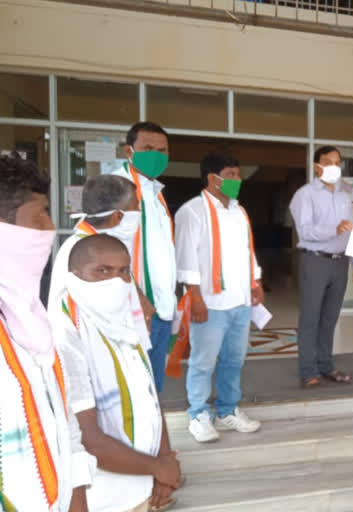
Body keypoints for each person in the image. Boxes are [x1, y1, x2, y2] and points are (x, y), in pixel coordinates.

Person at [51, 235, 181, 512]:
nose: (116, 280)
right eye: (102, 271)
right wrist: (160, 468)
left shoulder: (121, 316)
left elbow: (149, 398)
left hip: (143, 488)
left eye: (123, 271)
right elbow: (88, 438)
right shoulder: (63, 334)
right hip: (102, 499)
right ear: (76, 275)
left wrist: (165, 460)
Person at [0, 153, 94, 511]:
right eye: (40, 213)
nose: (49, 227)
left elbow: (59, 411)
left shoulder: (29, 313)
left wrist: (78, 489)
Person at [175, 151, 264, 442]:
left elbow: (246, 251)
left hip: (239, 300)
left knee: (234, 360)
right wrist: (196, 298)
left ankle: (227, 410)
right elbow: (186, 259)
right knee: (203, 361)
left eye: (238, 174)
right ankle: (198, 413)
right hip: (210, 303)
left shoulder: (239, 211)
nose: (237, 180)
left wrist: (256, 281)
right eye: (232, 175)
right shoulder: (192, 211)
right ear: (213, 178)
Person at [289, 145, 353, 388]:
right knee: (310, 318)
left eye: (337, 162)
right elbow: (305, 230)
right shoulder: (305, 194)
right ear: (316, 166)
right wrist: (334, 229)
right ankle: (308, 370)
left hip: (339, 262)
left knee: (330, 318)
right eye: (328, 162)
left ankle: (326, 365)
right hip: (315, 260)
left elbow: (350, 230)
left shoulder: (344, 195)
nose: (334, 167)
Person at [113, 121, 176, 393]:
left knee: (153, 388)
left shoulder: (155, 192)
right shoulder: (118, 189)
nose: (156, 155)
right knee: (133, 391)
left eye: (162, 150)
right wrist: (138, 297)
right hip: (133, 310)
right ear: (130, 151)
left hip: (159, 308)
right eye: (148, 148)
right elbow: (108, 251)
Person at [48, 175, 153, 336]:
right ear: (118, 216)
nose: (139, 212)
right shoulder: (83, 252)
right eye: (137, 207)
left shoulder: (101, 247)